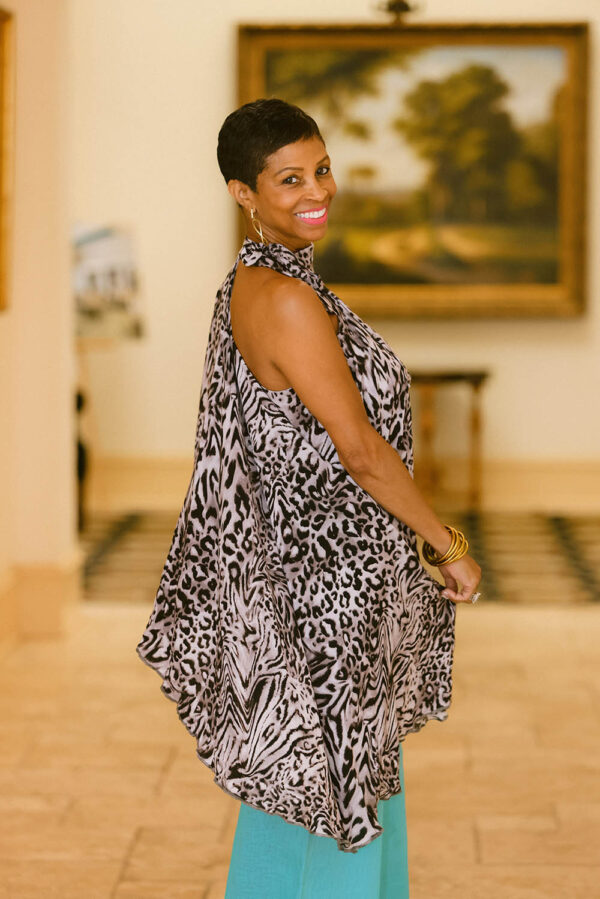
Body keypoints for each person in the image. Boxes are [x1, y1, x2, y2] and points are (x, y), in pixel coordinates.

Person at [136, 97, 481, 898]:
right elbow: (361, 453)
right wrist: (445, 542)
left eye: (320, 168)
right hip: (328, 597)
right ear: (243, 193)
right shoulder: (286, 301)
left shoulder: (255, 284)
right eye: (287, 179)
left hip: (323, 591)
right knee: (331, 800)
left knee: (315, 788)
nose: (314, 190)